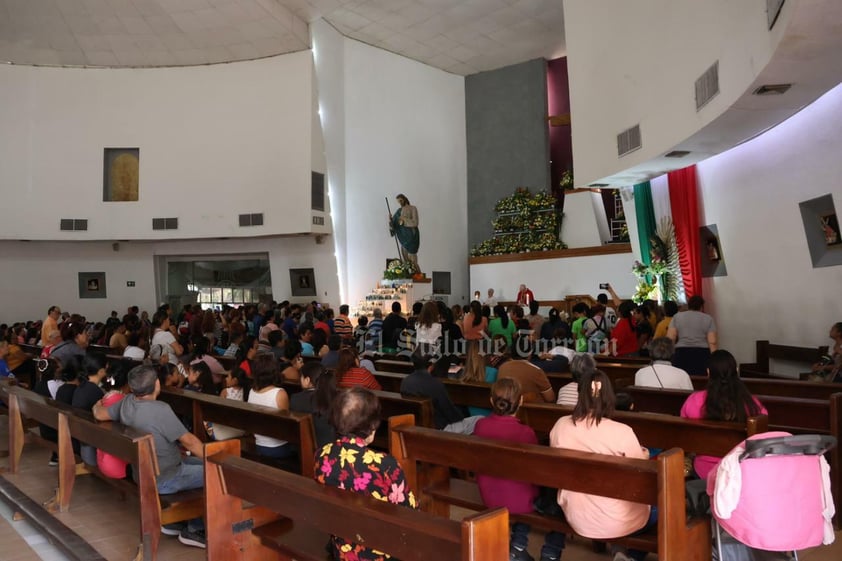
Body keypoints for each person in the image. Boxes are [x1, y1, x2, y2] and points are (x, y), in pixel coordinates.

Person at [93, 364, 206, 548]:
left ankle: (172, 523)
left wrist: (96, 405)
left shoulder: (126, 402)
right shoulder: (161, 409)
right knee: (216, 473)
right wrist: (214, 459)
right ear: (157, 384)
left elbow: (100, 414)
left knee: (200, 463)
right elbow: (189, 442)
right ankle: (195, 529)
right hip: (167, 476)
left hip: (144, 473)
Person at [550, 369, 652, 561]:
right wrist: (644, 454)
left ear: (579, 395)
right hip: (618, 519)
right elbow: (641, 469)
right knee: (657, 505)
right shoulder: (622, 432)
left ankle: (619, 551)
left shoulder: (560, 425)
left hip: (576, 514)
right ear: (608, 396)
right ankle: (628, 554)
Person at [315, 388, 417, 560]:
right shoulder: (383, 464)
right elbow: (409, 513)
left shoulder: (322, 454)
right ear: (372, 426)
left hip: (341, 546)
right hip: (379, 552)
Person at [474, 379, 566, 561]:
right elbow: (536, 472)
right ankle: (519, 544)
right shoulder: (526, 433)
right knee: (547, 494)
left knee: (518, 489)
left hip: (488, 494)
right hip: (520, 501)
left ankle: (517, 546)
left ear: (492, 401)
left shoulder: (480, 425)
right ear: (521, 401)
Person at [680, 350, 766, 480]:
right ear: (736, 370)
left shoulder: (694, 400)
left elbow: (684, 431)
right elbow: (762, 431)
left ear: (708, 372)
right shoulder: (752, 404)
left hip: (704, 470)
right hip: (740, 472)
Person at [401, 347, 466, 430]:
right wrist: (462, 415)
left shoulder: (405, 382)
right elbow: (451, 414)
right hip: (439, 428)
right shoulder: (435, 384)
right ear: (432, 365)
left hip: (416, 425)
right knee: (477, 419)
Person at [246, 354, 294, 459]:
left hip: (259, 443)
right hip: (278, 447)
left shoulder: (252, 391)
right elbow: (286, 424)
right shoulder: (279, 393)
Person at [290, 362, 337, 447]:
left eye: (301, 377)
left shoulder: (295, 399)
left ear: (307, 380)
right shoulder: (334, 398)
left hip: (303, 448)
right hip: (330, 447)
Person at [667, 295, 717, 375]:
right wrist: (715, 359)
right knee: (700, 381)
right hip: (702, 354)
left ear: (689, 305)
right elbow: (712, 341)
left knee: (681, 378)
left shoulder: (677, 317)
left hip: (681, 353)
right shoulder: (708, 318)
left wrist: (670, 355)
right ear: (701, 307)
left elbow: (671, 338)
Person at [389, 193, 420, 266]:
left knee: (413, 259)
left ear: (405, 199)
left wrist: (404, 220)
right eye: (398, 201)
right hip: (403, 237)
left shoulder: (413, 208)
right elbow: (394, 225)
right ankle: (407, 274)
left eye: (401, 200)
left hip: (412, 236)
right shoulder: (398, 211)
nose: (400, 202)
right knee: (404, 259)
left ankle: (417, 275)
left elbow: (415, 222)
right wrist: (391, 221)